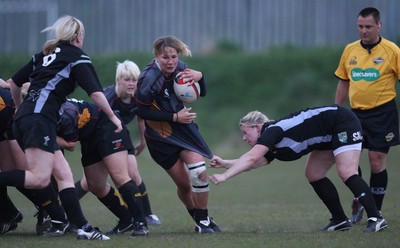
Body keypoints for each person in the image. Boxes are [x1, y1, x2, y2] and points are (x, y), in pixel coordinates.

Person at [0, 15, 122, 237]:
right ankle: (76, 226)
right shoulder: (76, 56)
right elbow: (95, 93)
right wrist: (113, 117)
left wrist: (19, 108)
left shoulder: (43, 56)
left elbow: (13, 83)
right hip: (39, 120)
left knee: (65, 175)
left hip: (27, 119)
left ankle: (81, 227)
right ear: (78, 36)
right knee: (39, 178)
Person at [209, 105, 387, 233]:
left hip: (341, 122)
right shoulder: (271, 141)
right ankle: (340, 220)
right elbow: (254, 162)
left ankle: (376, 218)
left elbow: (251, 157)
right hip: (327, 134)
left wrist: (225, 176)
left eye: (245, 132)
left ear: (257, 127)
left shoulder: (272, 131)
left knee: (347, 172)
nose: (243, 138)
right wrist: (225, 163)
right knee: (314, 174)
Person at [135, 35, 221, 234]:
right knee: (184, 186)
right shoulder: (148, 79)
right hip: (160, 138)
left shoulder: (181, 67)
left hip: (184, 130)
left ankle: (203, 223)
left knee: (199, 174)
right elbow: (141, 112)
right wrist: (174, 117)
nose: (171, 61)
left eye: (173, 56)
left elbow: (202, 93)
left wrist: (201, 77)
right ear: (157, 56)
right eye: (165, 57)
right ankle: (201, 219)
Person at [73, 60, 161, 228]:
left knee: (134, 174)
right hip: (100, 138)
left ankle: (147, 215)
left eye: (134, 80)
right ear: (118, 80)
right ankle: (66, 214)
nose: (131, 83)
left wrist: (143, 141)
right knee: (89, 183)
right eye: (127, 79)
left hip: (120, 135)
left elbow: (141, 116)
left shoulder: (138, 96)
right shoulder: (108, 98)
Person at [334, 7, 400, 224]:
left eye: (368, 26)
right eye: (360, 26)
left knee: (376, 161)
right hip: (355, 116)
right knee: (349, 161)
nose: (364, 30)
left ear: (379, 25)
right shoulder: (350, 50)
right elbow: (344, 81)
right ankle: (360, 197)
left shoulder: (392, 50)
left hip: (384, 114)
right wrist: (336, 110)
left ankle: (376, 214)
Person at [57, 98, 149, 236]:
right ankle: (126, 220)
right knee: (95, 186)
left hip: (107, 125)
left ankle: (141, 223)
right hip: (89, 136)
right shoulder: (42, 111)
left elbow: (70, 145)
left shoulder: (65, 113)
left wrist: (46, 135)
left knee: (119, 176)